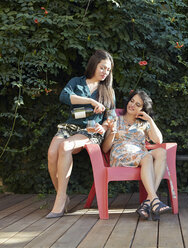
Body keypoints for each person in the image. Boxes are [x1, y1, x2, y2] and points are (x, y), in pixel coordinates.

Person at [46, 50, 115, 218]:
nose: (105, 72)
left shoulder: (108, 91)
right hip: (70, 127)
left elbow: (111, 117)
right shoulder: (77, 82)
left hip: (90, 130)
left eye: (108, 69)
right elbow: (64, 96)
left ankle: (60, 199)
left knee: (66, 145)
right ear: (94, 65)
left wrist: (104, 128)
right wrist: (90, 101)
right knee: (52, 153)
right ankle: (62, 195)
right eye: (102, 67)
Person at [102, 90, 171, 221]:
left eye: (138, 104)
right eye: (132, 101)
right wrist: (112, 132)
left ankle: (147, 203)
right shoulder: (115, 118)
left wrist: (150, 119)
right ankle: (153, 200)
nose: (132, 105)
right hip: (120, 155)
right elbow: (105, 148)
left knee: (161, 152)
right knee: (147, 156)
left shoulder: (144, 124)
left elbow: (159, 141)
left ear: (143, 109)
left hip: (140, 154)